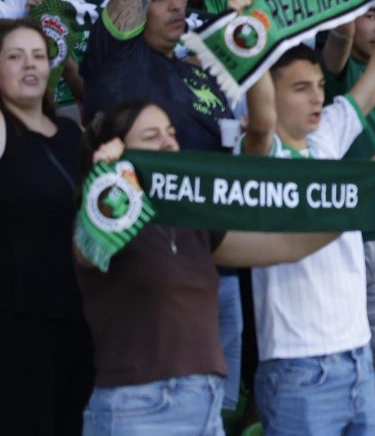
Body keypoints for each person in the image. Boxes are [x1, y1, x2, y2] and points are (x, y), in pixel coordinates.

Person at [77, 100, 340, 435]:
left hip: (204, 404)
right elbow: (87, 250)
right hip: (136, 408)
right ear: (117, 150)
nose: (168, 143)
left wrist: (359, 207)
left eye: (171, 133)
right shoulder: (98, 222)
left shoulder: (192, 222)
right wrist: (106, 179)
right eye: (151, 136)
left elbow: (285, 246)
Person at [245, 38, 375, 436]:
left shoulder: (325, 139)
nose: (317, 97)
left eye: (319, 86)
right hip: (298, 365)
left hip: (357, 356)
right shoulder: (261, 159)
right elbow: (260, 123)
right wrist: (250, 37)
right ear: (270, 94)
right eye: (300, 88)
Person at [1, 19, 91, 436]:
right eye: (14, 57)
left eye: (38, 55)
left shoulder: (73, 135)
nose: (29, 65)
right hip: (15, 320)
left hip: (75, 313)